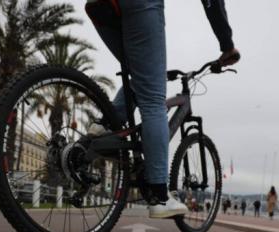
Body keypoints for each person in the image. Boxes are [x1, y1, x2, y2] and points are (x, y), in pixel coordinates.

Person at [86, 0, 240, 219]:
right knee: (153, 100)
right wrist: (227, 47)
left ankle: (103, 127)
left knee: (140, 77)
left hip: (99, 6)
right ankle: (160, 196)